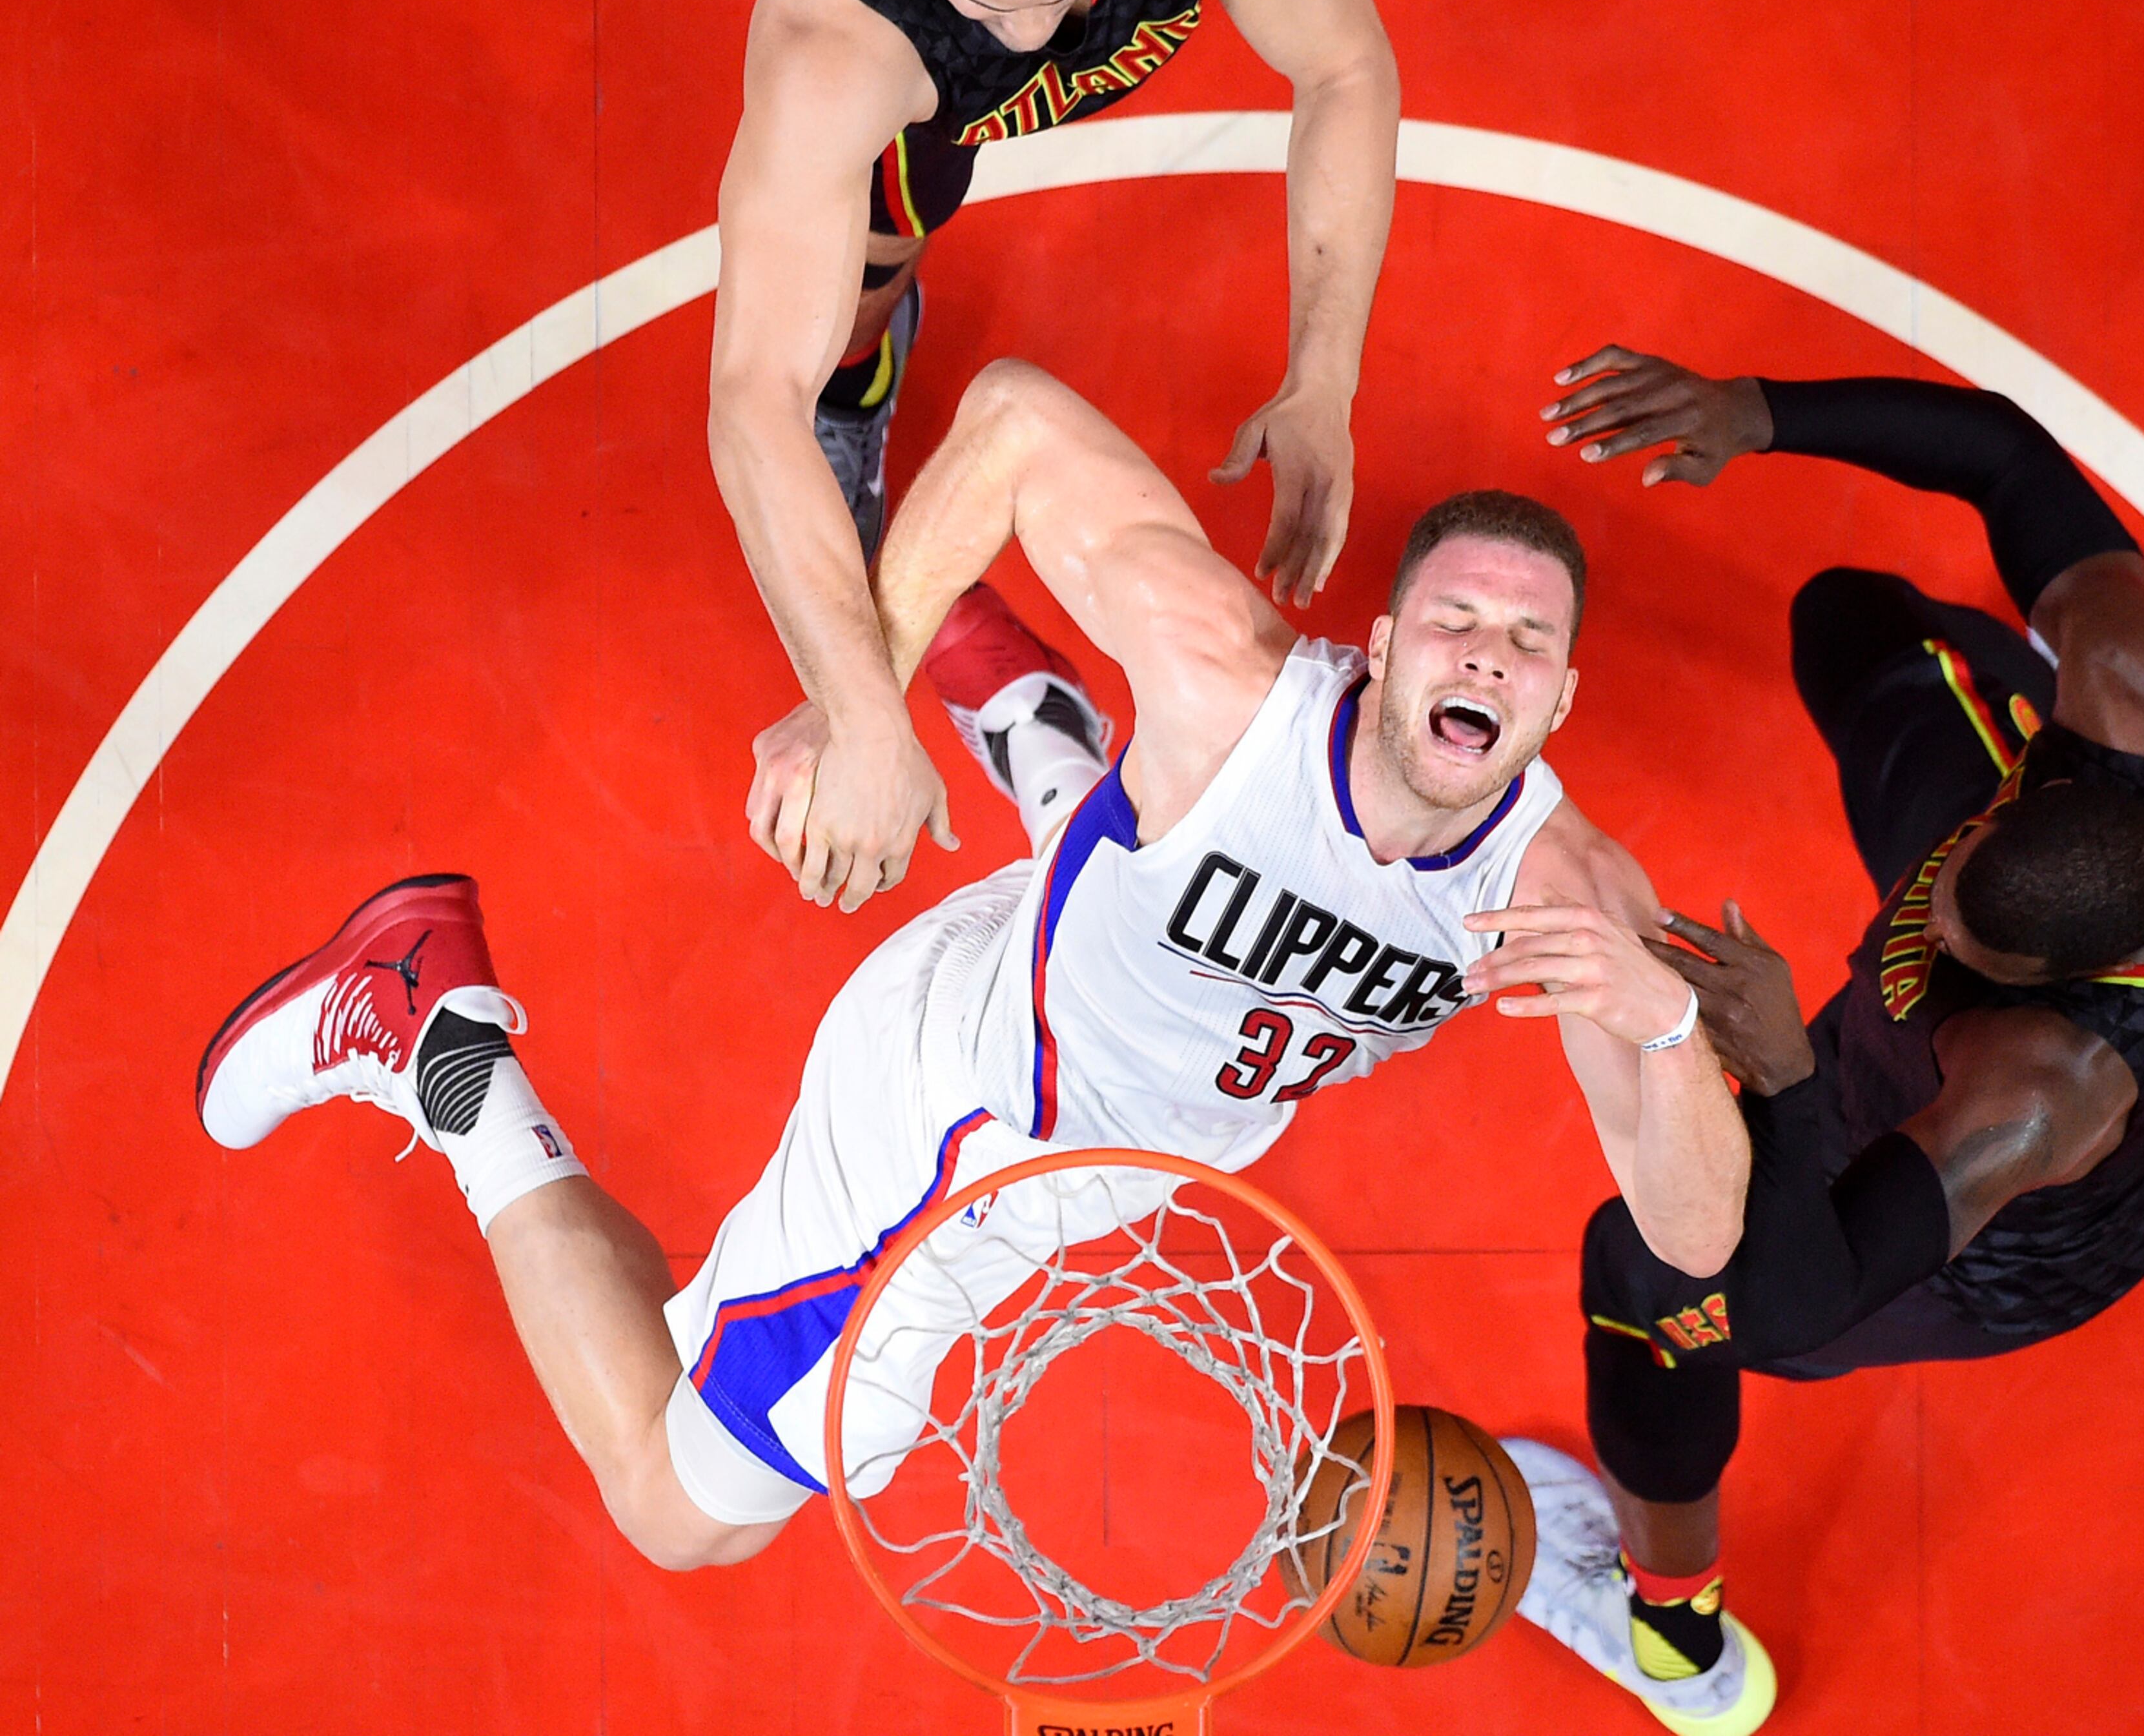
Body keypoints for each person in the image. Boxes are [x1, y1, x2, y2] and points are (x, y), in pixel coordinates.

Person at [194, 358, 1749, 1574]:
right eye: (1456, 620)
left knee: (1155, 873)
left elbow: (1694, 1230)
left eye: (1523, 643)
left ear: (1560, 699)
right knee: (687, 1510)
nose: (1483, 653)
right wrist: (855, 701)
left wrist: (1669, 1019)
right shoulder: (1224, 676)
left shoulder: (1570, 897)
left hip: (1103, 1013)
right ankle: (433, 1027)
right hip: (960, 1124)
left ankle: (1030, 718)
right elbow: (1007, 420)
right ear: (1387, 634)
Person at [1502, 351, 2144, 1736]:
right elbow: (2008, 455)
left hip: (1970, 1238)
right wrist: (1758, 413)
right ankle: (1962, 721)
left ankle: (1678, 1635)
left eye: (1957, 958)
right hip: (2002, 964)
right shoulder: (2143, 700)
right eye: (1959, 874)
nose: (1915, 943)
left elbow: (1814, 1295)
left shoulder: (2033, 1090)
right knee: (1848, 625)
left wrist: (1791, 1085)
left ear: (2036, 979)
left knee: (1650, 1278)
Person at [716, 0, 1400, 915]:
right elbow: (755, 400)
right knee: (863, 273)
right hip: (899, 56)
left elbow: (1346, 67)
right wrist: (864, 715)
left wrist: (1325, 374)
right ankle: (864, 372)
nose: (1036, 40)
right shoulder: (834, 29)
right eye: (992, 6)